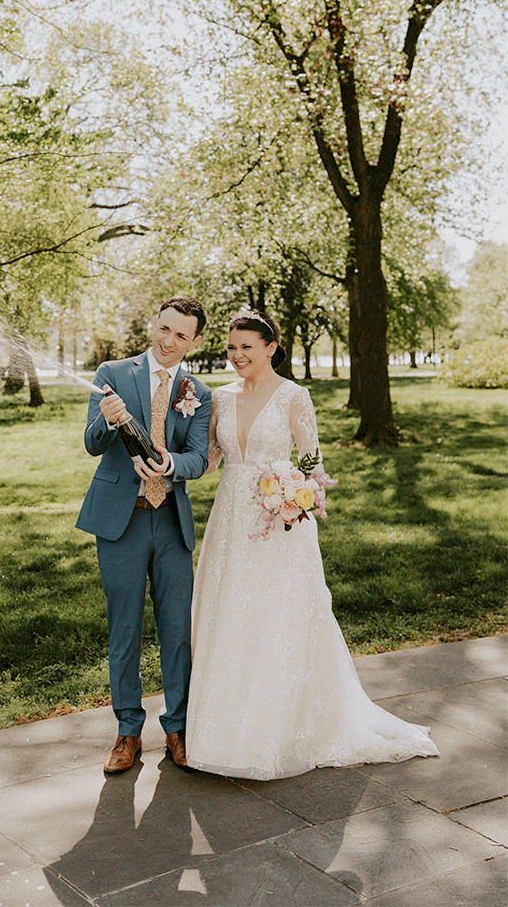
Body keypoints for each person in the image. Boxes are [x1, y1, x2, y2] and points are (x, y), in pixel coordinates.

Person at [185, 308, 439, 779]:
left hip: (280, 523)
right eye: (231, 347)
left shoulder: (294, 397)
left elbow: (312, 464)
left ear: (271, 348)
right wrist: (169, 461)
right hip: (229, 521)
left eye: (247, 347)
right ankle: (220, 729)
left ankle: (276, 729)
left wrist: (290, 496)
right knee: (229, 612)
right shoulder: (219, 398)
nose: (238, 355)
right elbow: (209, 461)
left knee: (275, 614)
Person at [76, 296, 212, 773]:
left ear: (195, 342)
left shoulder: (199, 391)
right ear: (153, 325)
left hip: (171, 523)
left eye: (181, 335)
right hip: (121, 522)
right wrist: (109, 421)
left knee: (177, 630)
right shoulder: (114, 372)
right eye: (164, 329)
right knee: (125, 629)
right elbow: (92, 444)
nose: (168, 341)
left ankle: (178, 727)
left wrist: (171, 463)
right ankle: (127, 733)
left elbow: (200, 457)